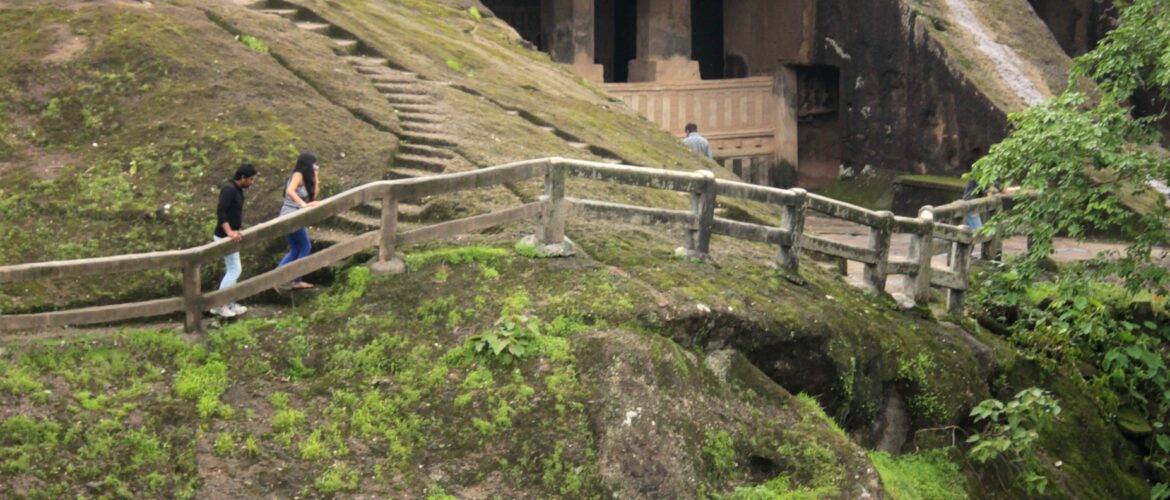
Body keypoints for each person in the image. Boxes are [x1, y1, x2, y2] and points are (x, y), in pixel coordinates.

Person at [211, 163, 258, 317]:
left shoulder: (237, 190)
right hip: (224, 236)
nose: (252, 182)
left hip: (232, 235)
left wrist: (236, 229)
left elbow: (233, 212)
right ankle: (219, 304)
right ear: (242, 177)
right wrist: (229, 231)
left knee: (234, 269)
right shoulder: (229, 189)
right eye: (250, 179)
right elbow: (221, 210)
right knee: (234, 269)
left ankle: (229, 303)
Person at [276, 152, 320, 290]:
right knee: (305, 246)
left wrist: (316, 178)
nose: (315, 166)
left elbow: (313, 196)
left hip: (296, 215)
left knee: (296, 248)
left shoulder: (306, 177)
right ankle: (296, 280)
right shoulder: (298, 175)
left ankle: (276, 278)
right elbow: (290, 191)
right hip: (290, 215)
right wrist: (303, 205)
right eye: (314, 163)